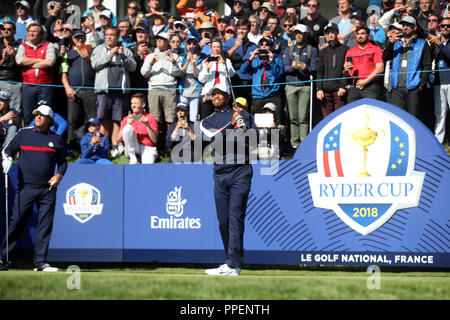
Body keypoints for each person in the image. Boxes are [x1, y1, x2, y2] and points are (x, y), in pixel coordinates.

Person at [0, 103, 67, 272]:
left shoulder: (56, 139)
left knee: (45, 225)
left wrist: (58, 175)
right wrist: (7, 158)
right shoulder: (24, 134)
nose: (37, 117)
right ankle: (3, 258)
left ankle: (40, 263)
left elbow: (63, 162)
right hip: (26, 187)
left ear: (50, 120)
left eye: (42, 115)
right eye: (37, 114)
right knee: (17, 222)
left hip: (47, 189)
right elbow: (8, 150)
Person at [200, 82, 255, 276]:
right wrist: (231, 124)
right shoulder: (207, 120)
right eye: (212, 94)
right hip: (220, 173)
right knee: (223, 221)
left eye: (219, 93)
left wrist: (243, 127)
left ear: (227, 96)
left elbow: (255, 139)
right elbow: (212, 137)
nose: (215, 96)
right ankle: (230, 261)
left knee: (235, 217)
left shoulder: (244, 115)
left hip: (241, 170)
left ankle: (234, 264)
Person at [91, 26, 137, 157]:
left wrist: (123, 56)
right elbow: (94, 64)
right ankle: (103, 147)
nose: (109, 37)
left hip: (120, 91)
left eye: (112, 35)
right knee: (104, 119)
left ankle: (115, 146)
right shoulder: (99, 50)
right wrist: (109, 55)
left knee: (118, 120)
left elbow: (133, 67)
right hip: (103, 90)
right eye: (107, 35)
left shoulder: (125, 50)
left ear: (117, 37)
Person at [382, 16, 432, 120]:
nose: (405, 27)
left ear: (414, 28)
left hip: (414, 88)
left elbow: (427, 65)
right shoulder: (396, 43)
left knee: (414, 119)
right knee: (398, 119)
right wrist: (391, 42)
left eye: (408, 25)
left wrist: (421, 84)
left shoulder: (422, 43)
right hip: (397, 88)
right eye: (403, 25)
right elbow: (384, 57)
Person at [282, 24, 318, 149]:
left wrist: (306, 68)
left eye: (301, 33)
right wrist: (291, 67)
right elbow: (284, 69)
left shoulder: (311, 50)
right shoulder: (289, 49)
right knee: (293, 117)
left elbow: (315, 68)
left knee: (303, 116)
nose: (298, 35)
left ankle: (304, 142)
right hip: (291, 85)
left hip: (305, 85)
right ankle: (294, 143)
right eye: (296, 33)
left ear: (305, 35)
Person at [60, 29, 97, 149]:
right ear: (73, 40)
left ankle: (93, 145)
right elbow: (63, 74)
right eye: (77, 38)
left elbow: (96, 70)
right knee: (72, 119)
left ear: (85, 38)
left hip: (90, 89)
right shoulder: (68, 54)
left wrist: (87, 59)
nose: (79, 40)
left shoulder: (92, 51)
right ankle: (71, 146)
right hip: (73, 90)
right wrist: (67, 88)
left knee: (92, 119)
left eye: (82, 37)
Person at [16, 22, 57, 125]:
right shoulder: (23, 46)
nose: (31, 33)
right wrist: (40, 60)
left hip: (45, 85)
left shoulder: (49, 45)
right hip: (28, 85)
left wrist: (28, 63)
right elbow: (20, 61)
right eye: (29, 31)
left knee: (45, 115)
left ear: (41, 35)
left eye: (34, 31)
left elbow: (50, 62)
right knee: (28, 115)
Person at [140, 32, 182, 130]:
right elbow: (144, 73)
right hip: (154, 90)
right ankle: (157, 144)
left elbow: (178, 74)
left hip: (169, 90)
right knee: (154, 120)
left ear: (167, 42)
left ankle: (170, 143)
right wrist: (150, 63)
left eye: (161, 39)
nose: (158, 40)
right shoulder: (150, 56)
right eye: (157, 38)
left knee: (170, 119)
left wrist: (174, 63)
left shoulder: (175, 56)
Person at [240, 37, 284, 118]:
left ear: (271, 47)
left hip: (273, 95)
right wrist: (251, 58)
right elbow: (242, 70)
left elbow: (278, 74)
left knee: (275, 122)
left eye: (267, 44)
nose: (264, 46)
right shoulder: (255, 59)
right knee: (260, 123)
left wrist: (272, 61)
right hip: (258, 95)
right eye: (261, 44)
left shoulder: (277, 59)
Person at [343, 26, 385, 103]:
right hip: (354, 87)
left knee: (371, 112)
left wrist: (365, 81)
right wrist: (346, 69)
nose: (360, 36)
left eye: (362, 33)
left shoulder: (375, 48)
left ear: (368, 36)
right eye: (358, 34)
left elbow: (380, 68)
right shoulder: (350, 51)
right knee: (352, 112)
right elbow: (345, 73)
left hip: (371, 86)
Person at [316, 23, 348, 118]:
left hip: (339, 90)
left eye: (333, 31)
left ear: (337, 32)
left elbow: (346, 70)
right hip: (325, 91)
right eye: (328, 32)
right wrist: (319, 89)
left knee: (340, 117)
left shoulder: (344, 49)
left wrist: (343, 86)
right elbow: (320, 71)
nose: (330, 34)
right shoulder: (323, 50)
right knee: (327, 119)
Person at [198, 38, 235, 120]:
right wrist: (207, 69)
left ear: (221, 48)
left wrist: (223, 63)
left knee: (223, 119)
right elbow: (201, 79)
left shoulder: (226, 61)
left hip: (223, 93)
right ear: (211, 49)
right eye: (214, 47)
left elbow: (232, 74)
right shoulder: (206, 61)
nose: (216, 49)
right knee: (206, 118)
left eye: (218, 47)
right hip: (208, 93)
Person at [118, 93, 159, 164]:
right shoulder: (127, 118)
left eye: (136, 103)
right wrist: (127, 124)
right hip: (132, 148)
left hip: (147, 147)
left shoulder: (150, 118)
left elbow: (155, 140)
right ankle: (133, 157)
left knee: (147, 166)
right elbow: (118, 139)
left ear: (143, 105)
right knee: (127, 128)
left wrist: (147, 125)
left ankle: (139, 160)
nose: (133, 106)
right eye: (132, 103)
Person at [432, 17, 450, 143]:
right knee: (440, 114)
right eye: (443, 25)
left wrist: (440, 44)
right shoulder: (435, 41)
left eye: (448, 26)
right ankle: (438, 141)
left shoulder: (439, 42)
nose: (445, 28)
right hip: (438, 82)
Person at [0, 22, 22, 115]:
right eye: (4, 29)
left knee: (15, 111)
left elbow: (21, 66)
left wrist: (13, 56)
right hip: (0, 80)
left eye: (9, 29)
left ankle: (14, 129)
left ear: (14, 31)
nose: (6, 31)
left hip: (15, 82)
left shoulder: (19, 45)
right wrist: (3, 59)